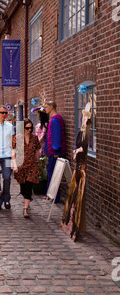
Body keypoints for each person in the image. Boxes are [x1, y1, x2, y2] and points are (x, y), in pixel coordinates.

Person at [61, 103, 92, 241]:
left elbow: (83, 147)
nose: (83, 121)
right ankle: (69, 221)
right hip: (77, 167)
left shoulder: (86, 133)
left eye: (86, 119)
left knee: (77, 197)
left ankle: (74, 223)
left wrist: (78, 151)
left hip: (81, 169)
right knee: (73, 197)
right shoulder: (81, 132)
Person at [13, 119, 41, 218]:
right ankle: (27, 198)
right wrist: (14, 165)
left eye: (31, 128)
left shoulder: (35, 138)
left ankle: (25, 208)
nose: (29, 130)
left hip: (32, 165)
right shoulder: (18, 138)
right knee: (23, 187)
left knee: (29, 184)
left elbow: (37, 150)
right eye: (27, 128)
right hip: (21, 166)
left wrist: (37, 161)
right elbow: (13, 152)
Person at [44, 101, 66, 202]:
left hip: (54, 153)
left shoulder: (55, 120)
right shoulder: (53, 119)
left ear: (52, 107)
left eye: (47, 106)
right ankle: (50, 195)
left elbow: (56, 137)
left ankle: (54, 196)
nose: (45, 108)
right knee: (51, 173)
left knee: (53, 174)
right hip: (52, 151)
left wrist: (56, 150)